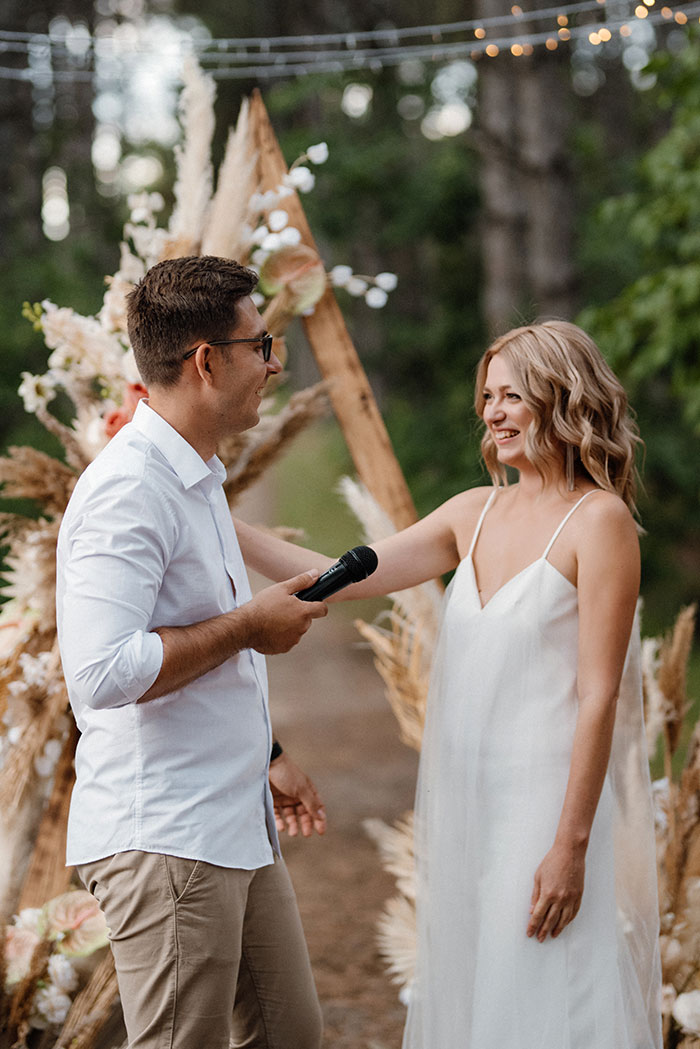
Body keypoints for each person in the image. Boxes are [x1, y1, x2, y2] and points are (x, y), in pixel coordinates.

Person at [234, 320, 662, 1049]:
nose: (492, 412)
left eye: (511, 395)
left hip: (546, 808)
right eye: (487, 397)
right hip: (468, 804)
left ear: (561, 397)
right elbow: (340, 574)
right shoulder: (473, 511)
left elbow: (600, 695)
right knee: (476, 995)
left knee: (542, 993)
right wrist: (211, 510)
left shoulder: (601, 523)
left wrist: (570, 847)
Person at [55, 255, 330, 1049]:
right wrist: (251, 626)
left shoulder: (194, 476)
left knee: (290, 1035)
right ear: (206, 360)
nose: (274, 365)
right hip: (166, 834)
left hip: (232, 816)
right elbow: (101, 673)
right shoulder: (127, 491)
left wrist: (267, 751)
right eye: (262, 344)